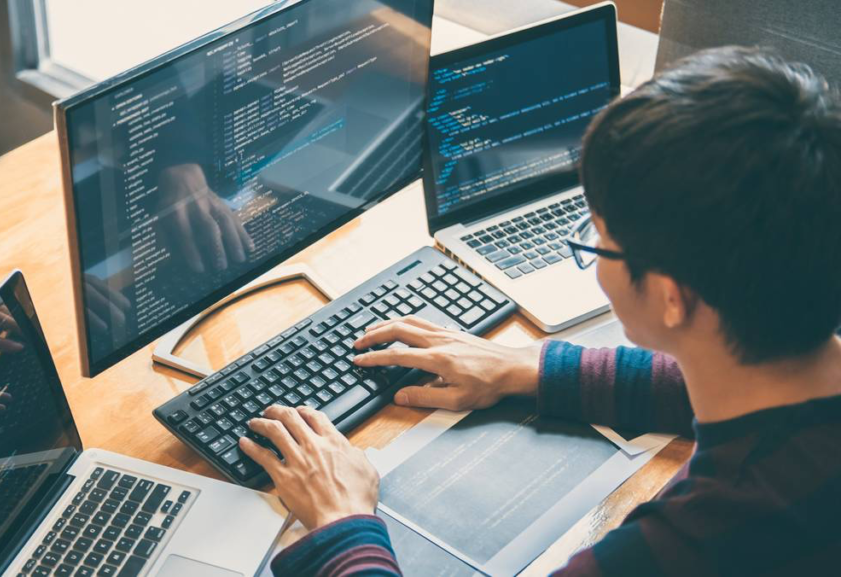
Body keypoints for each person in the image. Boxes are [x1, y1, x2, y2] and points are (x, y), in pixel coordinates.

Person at [237, 46, 841, 575]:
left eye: (597, 238)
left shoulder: (700, 539)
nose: (594, 255)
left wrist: (341, 524)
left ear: (669, 296)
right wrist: (533, 367)